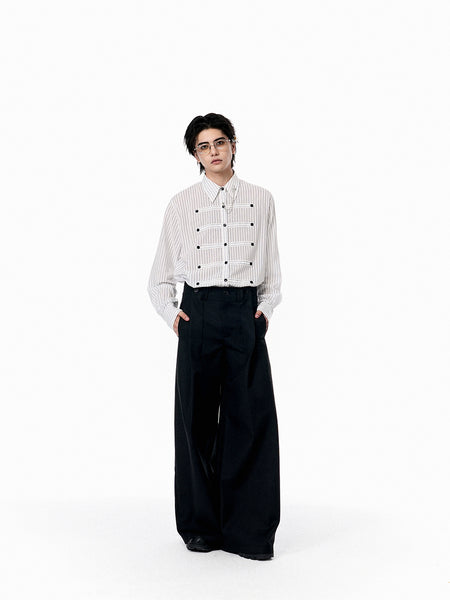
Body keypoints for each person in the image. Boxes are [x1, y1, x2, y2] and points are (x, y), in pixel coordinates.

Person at [147, 113, 282, 560]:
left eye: (219, 142)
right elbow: (160, 276)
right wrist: (174, 317)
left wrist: (263, 311)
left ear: (233, 144)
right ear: (195, 155)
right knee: (196, 423)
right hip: (198, 312)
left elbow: (271, 266)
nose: (213, 152)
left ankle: (249, 531)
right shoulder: (180, 204)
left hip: (245, 312)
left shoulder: (261, 199)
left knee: (251, 422)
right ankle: (201, 527)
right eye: (203, 146)